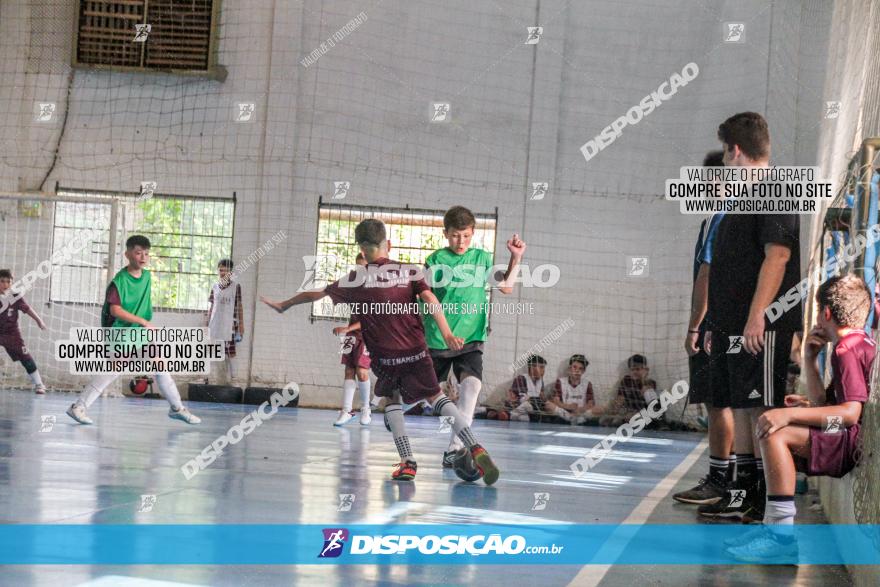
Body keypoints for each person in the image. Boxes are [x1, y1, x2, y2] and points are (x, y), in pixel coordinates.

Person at [261, 219, 500, 484]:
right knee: (436, 397)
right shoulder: (410, 271)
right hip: (418, 351)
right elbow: (431, 300)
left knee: (391, 401)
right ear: (389, 243)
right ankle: (475, 445)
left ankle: (408, 462)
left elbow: (314, 294)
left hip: (387, 357)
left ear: (362, 249)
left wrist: (285, 304)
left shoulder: (356, 278)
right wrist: (447, 334)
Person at [726, 275, 874, 561]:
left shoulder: (845, 350)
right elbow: (827, 405)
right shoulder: (858, 341)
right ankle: (772, 525)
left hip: (849, 439)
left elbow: (849, 414)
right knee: (777, 422)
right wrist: (808, 360)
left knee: (774, 430)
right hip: (846, 432)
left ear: (826, 313)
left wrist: (791, 413)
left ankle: (780, 538)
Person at [700, 112, 801, 522]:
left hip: (762, 324)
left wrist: (758, 316)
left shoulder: (776, 190)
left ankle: (765, 499)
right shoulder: (742, 196)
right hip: (733, 324)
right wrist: (715, 324)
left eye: (726, 152)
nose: (725, 161)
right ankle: (742, 491)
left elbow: (777, 257)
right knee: (742, 406)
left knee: (761, 409)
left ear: (736, 151)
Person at [424, 205, 526, 467]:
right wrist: (446, 333)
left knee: (472, 386)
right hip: (438, 338)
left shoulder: (481, 259)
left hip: (471, 338)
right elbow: (428, 299)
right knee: (425, 395)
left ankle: (455, 447)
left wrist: (516, 257)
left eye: (467, 235)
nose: (461, 241)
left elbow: (506, 287)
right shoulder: (435, 261)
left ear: (473, 233)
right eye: (456, 235)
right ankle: (388, 408)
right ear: (445, 233)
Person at [65, 235, 201, 425]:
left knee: (160, 363)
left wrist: (142, 324)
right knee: (115, 369)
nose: (143, 257)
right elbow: (115, 310)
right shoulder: (119, 281)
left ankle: (177, 408)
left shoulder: (146, 276)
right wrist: (143, 322)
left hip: (138, 332)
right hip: (120, 331)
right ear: (128, 254)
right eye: (138, 253)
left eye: (146, 254)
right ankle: (78, 407)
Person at [674, 150, 736, 505]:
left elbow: (708, 274)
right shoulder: (720, 217)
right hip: (727, 323)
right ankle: (729, 480)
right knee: (725, 404)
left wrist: (695, 327)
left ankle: (720, 480)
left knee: (719, 404)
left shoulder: (724, 216)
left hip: (716, 325)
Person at [331, 253, 373, 426]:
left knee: (362, 372)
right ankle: (346, 410)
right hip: (351, 334)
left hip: (368, 335)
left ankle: (366, 409)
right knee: (348, 371)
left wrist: (347, 328)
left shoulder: (376, 289)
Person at [0, 269, 48, 394]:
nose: (5, 284)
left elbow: (27, 309)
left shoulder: (15, 296)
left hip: (12, 333)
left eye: (8, 282)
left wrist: (39, 320)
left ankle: (39, 384)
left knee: (25, 356)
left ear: (11, 283)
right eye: (2, 281)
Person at [206, 258, 243, 384]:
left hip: (229, 325)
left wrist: (241, 324)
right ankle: (205, 377)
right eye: (221, 270)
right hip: (215, 324)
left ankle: (234, 379)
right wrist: (207, 323)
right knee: (209, 350)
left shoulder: (236, 287)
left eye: (225, 270)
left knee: (231, 352)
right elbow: (211, 306)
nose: (222, 273)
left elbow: (239, 306)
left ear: (231, 272)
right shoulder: (215, 287)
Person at [600, 354, 658, 427]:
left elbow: (650, 401)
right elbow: (620, 400)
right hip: (628, 413)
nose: (634, 372)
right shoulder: (626, 381)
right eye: (632, 369)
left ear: (645, 370)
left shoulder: (650, 382)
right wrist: (611, 415)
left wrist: (643, 378)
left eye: (637, 369)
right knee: (605, 420)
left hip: (645, 414)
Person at [546, 354, 596, 424]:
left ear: (584, 371)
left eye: (580, 368)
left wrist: (580, 410)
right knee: (548, 405)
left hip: (581, 413)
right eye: (575, 367)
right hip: (565, 413)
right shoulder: (560, 381)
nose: (577, 371)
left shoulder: (587, 384)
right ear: (570, 368)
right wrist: (568, 406)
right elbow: (556, 401)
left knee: (601, 409)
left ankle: (578, 420)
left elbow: (590, 404)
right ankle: (572, 419)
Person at [505, 355, 548, 422]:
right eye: (542, 367)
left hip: (529, 410)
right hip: (517, 406)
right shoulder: (521, 378)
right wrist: (535, 399)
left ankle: (508, 416)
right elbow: (521, 399)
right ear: (532, 367)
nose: (544, 371)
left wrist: (543, 399)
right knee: (527, 405)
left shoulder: (541, 382)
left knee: (525, 418)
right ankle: (508, 415)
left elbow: (540, 398)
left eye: (544, 368)